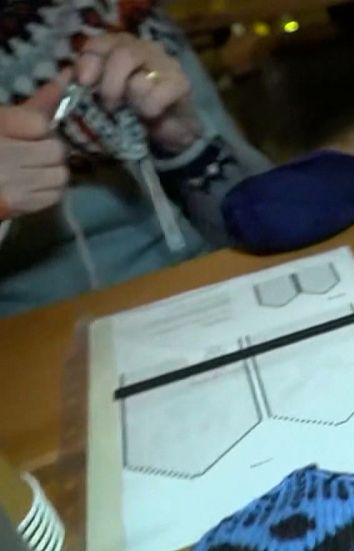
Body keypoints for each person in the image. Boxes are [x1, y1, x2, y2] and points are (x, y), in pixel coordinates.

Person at [0, 1, 270, 318]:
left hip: (206, 294)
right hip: (34, 341)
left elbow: (266, 213)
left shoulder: (122, 12)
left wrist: (187, 145)